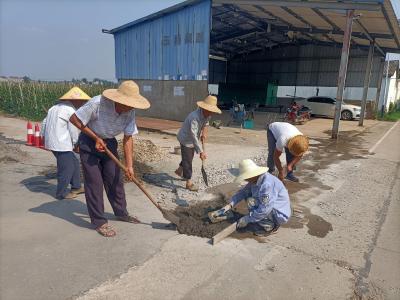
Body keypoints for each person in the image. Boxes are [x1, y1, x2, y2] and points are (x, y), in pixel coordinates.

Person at [69, 80, 150, 237]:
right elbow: (75, 119)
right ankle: (99, 221)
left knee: (115, 179)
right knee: (94, 183)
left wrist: (130, 166)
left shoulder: (130, 112)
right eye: (128, 103)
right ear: (118, 100)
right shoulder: (97, 103)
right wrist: (95, 138)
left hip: (109, 142)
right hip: (89, 141)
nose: (131, 107)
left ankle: (121, 212)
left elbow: (128, 138)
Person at [209, 159, 291, 235]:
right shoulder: (256, 179)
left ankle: (270, 225)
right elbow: (243, 192)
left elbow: (265, 208)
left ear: (252, 175)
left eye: (246, 177)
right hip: (274, 207)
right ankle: (261, 219)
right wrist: (229, 205)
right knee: (249, 197)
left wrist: (247, 219)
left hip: (279, 213)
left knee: (251, 202)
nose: (245, 180)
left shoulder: (266, 185)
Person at [41, 87, 90, 199]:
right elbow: (73, 129)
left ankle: (76, 186)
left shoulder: (53, 108)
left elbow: (44, 122)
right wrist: (75, 144)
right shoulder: (70, 111)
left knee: (74, 163)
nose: (83, 103)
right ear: (75, 100)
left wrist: (44, 137)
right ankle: (61, 193)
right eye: (82, 101)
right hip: (62, 144)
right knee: (66, 168)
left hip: (53, 142)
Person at [175, 95, 222, 191]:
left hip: (193, 138)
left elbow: (205, 124)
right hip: (186, 139)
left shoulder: (207, 114)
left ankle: (179, 170)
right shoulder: (194, 117)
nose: (211, 113)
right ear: (204, 108)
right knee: (188, 159)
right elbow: (193, 136)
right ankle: (188, 182)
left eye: (212, 111)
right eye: (210, 111)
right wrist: (201, 152)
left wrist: (204, 132)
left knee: (188, 156)